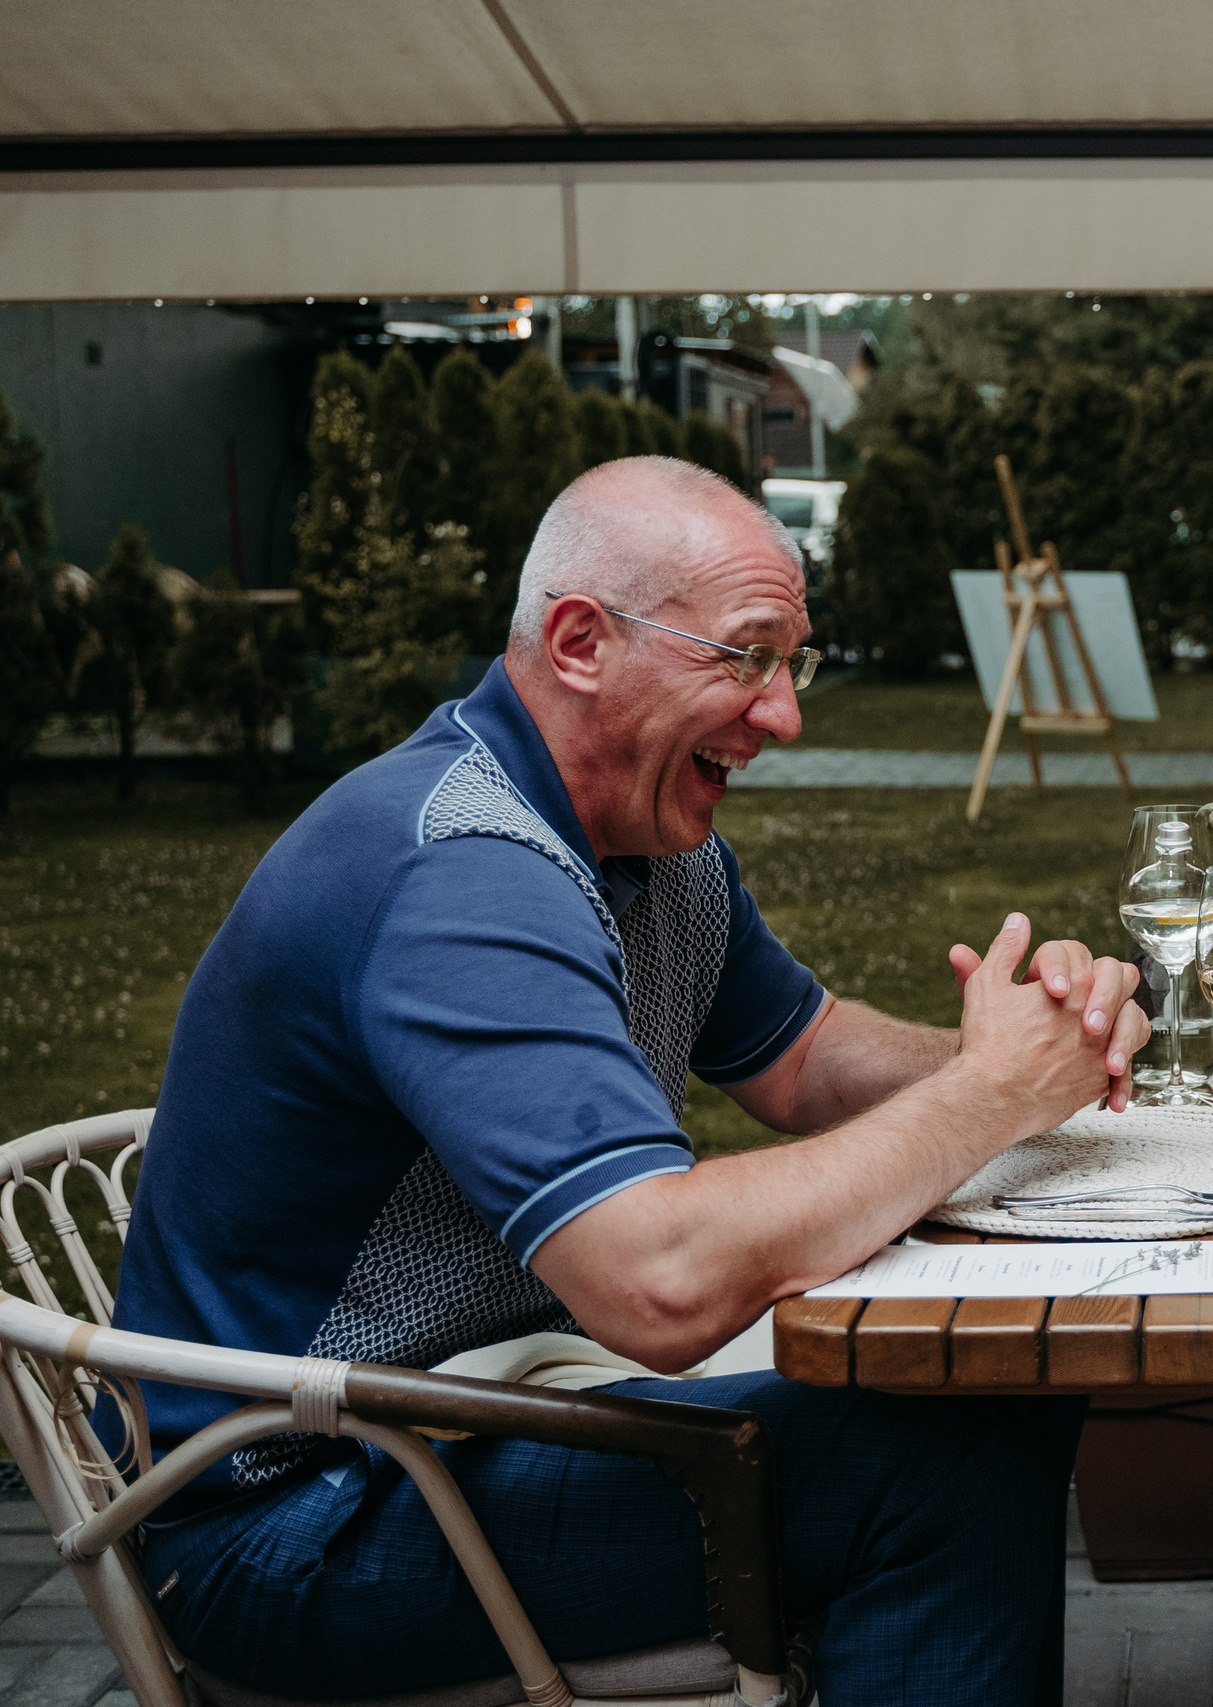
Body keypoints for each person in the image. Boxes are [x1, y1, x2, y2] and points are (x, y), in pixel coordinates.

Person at [109, 456, 1152, 1702]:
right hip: (289, 1516)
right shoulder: (460, 876)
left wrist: (1027, 1057)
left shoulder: (640, 844)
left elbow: (807, 1058)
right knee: (945, 1457)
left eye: (791, 664)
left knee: (985, 1402)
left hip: (461, 1422)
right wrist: (987, 1098)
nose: (783, 717)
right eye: (745, 657)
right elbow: (657, 1284)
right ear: (582, 642)